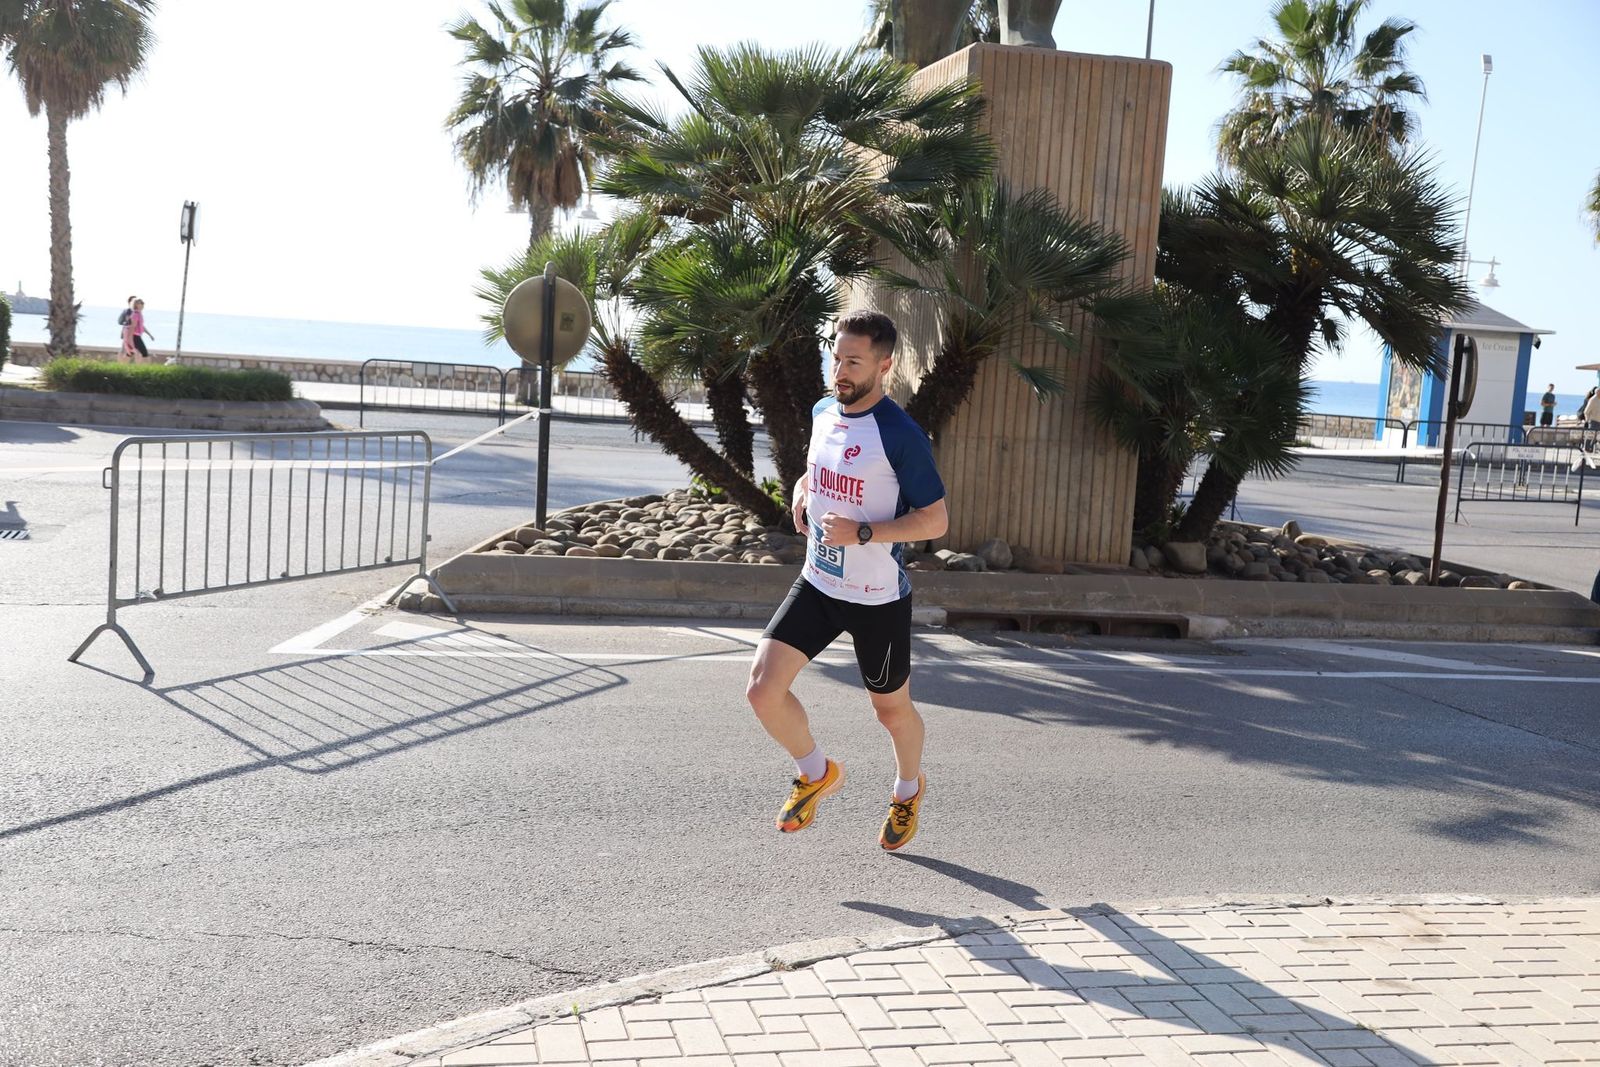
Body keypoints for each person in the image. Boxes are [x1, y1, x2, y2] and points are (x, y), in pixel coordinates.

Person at [745, 310, 949, 852]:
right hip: (818, 581)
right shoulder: (821, 411)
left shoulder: (900, 435)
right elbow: (819, 467)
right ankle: (816, 773)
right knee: (763, 691)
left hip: (875, 597)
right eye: (836, 357)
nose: (841, 370)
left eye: (853, 361)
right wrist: (802, 489)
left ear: (885, 365)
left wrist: (863, 532)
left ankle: (908, 789)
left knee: (890, 710)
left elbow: (935, 521)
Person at [126, 298, 155, 363]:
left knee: (131, 353)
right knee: (144, 353)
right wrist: (130, 339)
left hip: (136, 336)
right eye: (141, 303)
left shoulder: (139, 314)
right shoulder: (136, 314)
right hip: (135, 337)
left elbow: (142, 326)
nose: (143, 304)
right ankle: (147, 369)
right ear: (136, 305)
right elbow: (132, 327)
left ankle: (122, 367)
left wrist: (150, 335)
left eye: (143, 303)